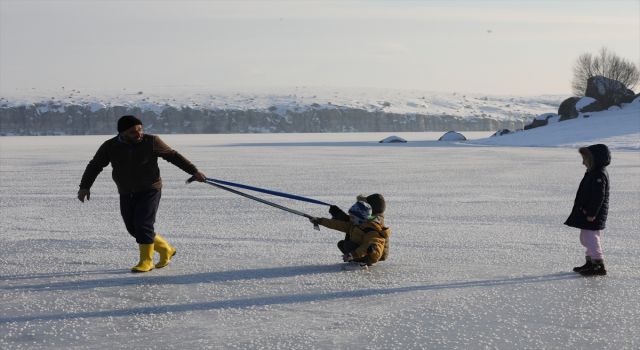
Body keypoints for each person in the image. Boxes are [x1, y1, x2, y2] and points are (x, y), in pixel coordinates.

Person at [77, 115, 207, 273]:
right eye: (133, 132)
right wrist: (85, 186)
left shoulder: (151, 141)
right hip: (126, 191)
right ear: (122, 133)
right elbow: (95, 165)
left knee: (143, 224)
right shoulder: (110, 146)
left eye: (140, 129)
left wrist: (194, 171)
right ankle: (166, 249)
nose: (139, 134)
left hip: (150, 189)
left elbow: (173, 156)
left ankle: (146, 261)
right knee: (133, 228)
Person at [565, 144, 610, 276]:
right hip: (587, 213)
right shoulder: (593, 172)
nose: (583, 162)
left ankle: (598, 265)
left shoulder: (599, 175)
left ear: (593, 159)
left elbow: (598, 197)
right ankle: (590, 262)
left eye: (584, 159)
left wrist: (591, 213)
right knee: (585, 238)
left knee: (591, 238)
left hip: (592, 214)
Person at [311, 200, 391, 267]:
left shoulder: (372, 230)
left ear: (360, 218)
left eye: (352, 217)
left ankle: (362, 262)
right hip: (360, 251)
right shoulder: (357, 224)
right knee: (342, 244)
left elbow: (372, 247)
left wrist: (353, 254)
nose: (350, 219)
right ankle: (357, 260)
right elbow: (337, 225)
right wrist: (320, 220)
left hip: (370, 256)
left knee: (347, 245)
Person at [329, 193, 389, 261]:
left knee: (348, 245)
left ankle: (362, 259)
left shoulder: (374, 221)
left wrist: (371, 251)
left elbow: (351, 222)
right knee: (344, 243)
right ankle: (357, 257)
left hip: (373, 252)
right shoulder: (370, 216)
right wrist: (338, 213)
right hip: (366, 246)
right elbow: (352, 221)